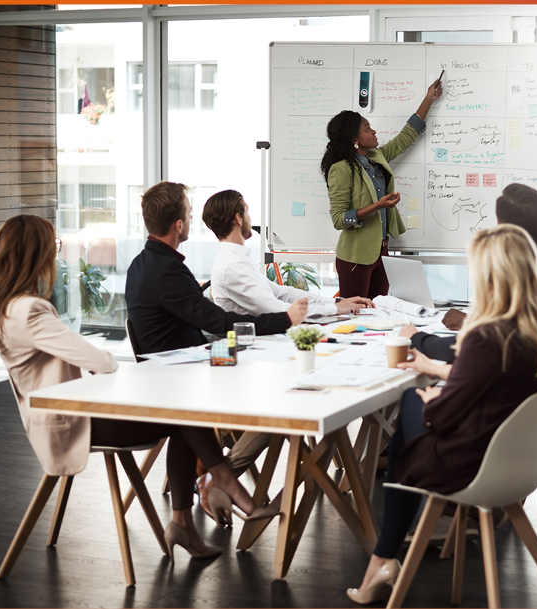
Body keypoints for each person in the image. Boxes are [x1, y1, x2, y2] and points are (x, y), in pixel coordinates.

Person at [0, 215, 276, 566]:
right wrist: (95, 357)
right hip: (72, 423)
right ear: (34, 255)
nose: (56, 254)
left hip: (61, 414)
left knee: (184, 414)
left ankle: (199, 508)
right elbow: (102, 362)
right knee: (184, 415)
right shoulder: (30, 310)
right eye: (54, 246)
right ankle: (216, 492)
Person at [347, 224, 537, 604]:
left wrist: (434, 399)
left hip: (479, 465)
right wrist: (444, 373)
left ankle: (383, 558)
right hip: (526, 461)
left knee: (410, 405)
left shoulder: (487, 335)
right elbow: (503, 384)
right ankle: (383, 557)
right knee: (419, 402)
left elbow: (446, 416)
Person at [124, 181, 307, 526]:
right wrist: (284, 320)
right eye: (189, 214)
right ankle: (222, 477)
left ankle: (202, 498)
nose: (190, 219)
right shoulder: (168, 271)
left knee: (263, 356)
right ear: (179, 225)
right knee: (280, 393)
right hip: (187, 369)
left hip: (189, 359)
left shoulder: (143, 264)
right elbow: (218, 320)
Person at [400, 183, 537, 364]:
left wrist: (418, 339)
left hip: (531, 384)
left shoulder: (523, 277)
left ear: (501, 231)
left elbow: (481, 348)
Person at [322, 78, 443, 299]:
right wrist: (377, 206)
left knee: (379, 313)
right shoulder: (341, 169)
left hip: (381, 251)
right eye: (367, 128)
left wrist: (429, 99)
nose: (374, 131)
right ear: (354, 139)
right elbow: (339, 219)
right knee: (355, 315)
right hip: (355, 258)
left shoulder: (377, 157)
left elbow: (406, 136)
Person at [204, 189, 374, 317]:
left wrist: (337, 302)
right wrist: (335, 309)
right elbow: (277, 309)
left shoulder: (238, 259)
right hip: (256, 344)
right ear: (238, 218)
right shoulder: (232, 265)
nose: (250, 218)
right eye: (247, 212)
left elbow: (282, 293)